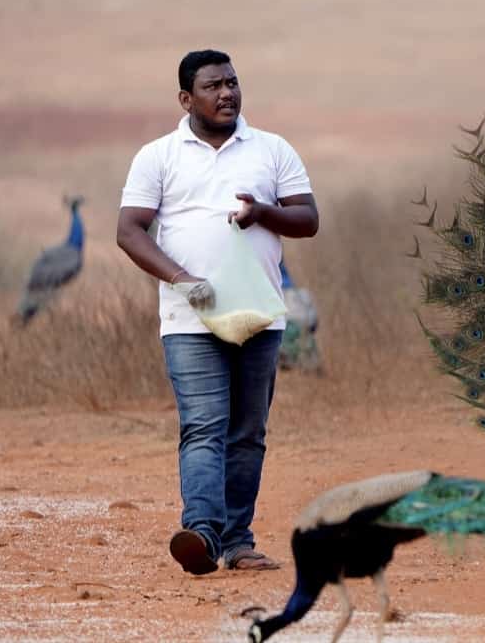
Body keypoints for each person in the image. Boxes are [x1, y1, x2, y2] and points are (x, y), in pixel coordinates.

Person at [116, 50, 318, 575]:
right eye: (213, 86)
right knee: (204, 427)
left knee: (247, 433)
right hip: (191, 319)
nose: (227, 93)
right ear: (186, 98)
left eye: (232, 82)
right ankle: (203, 536)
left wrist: (262, 214)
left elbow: (308, 219)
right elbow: (129, 230)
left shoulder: (272, 150)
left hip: (259, 315)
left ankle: (239, 542)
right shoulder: (158, 156)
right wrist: (182, 280)